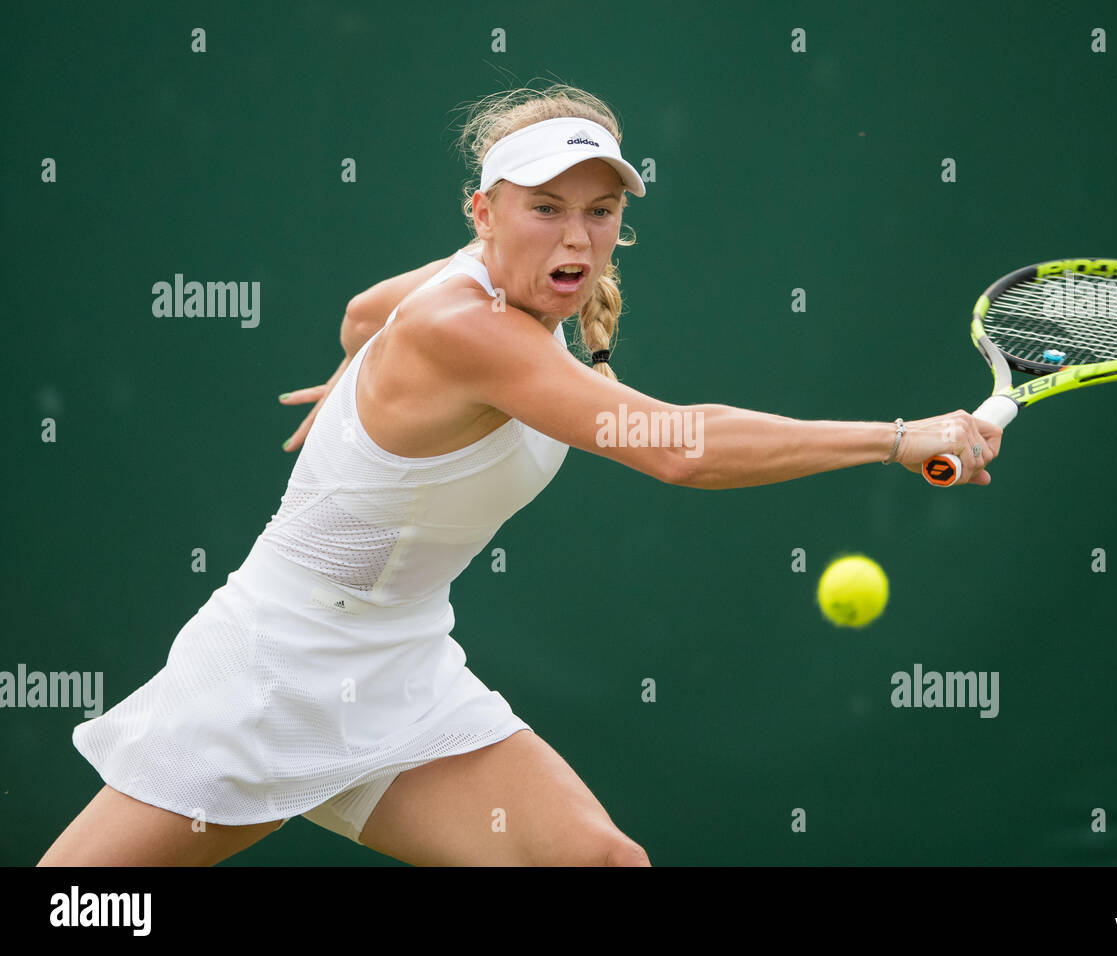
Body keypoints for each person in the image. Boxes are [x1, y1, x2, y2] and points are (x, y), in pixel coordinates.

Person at [38, 83, 1001, 867]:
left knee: (599, 866)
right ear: (484, 209)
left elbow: (360, 310)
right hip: (271, 671)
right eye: (545, 209)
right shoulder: (469, 326)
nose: (576, 240)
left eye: (601, 211)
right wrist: (897, 436)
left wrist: (361, 375)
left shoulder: (480, 283)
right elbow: (678, 448)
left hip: (400, 669)